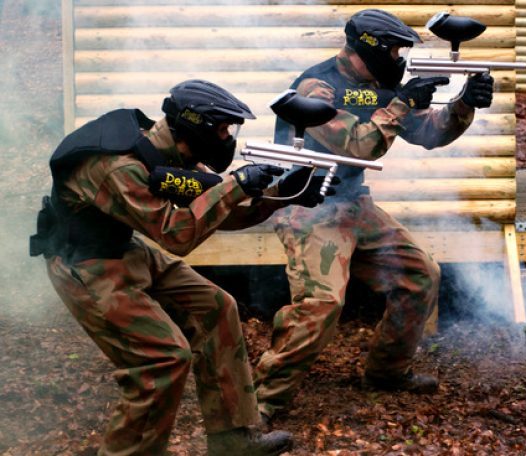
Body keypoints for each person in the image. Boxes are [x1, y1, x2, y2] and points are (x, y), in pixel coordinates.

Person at [29, 79, 335, 455]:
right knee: (162, 360)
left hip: (125, 247)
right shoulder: (116, 167)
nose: (228, 137)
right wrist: (235, 186)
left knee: (217, 308)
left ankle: (234, 439)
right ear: (197, 127)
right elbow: (177, 235)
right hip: (85, 263)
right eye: (223, 129)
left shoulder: (171, 149)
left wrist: (277, 197)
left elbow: (210, 214)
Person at [253, 9, 495, 421]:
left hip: (353, 204)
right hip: (309, 210)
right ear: (373, 48)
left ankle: (386, 372)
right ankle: (261, 401)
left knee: (421, 275)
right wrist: (400, 104)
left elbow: (428, 133)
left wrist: (462, 105)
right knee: (321, 304)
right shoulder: (316, 88)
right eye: (397, 50)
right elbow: (357, 146)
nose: (401, 59)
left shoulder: (381, 87)